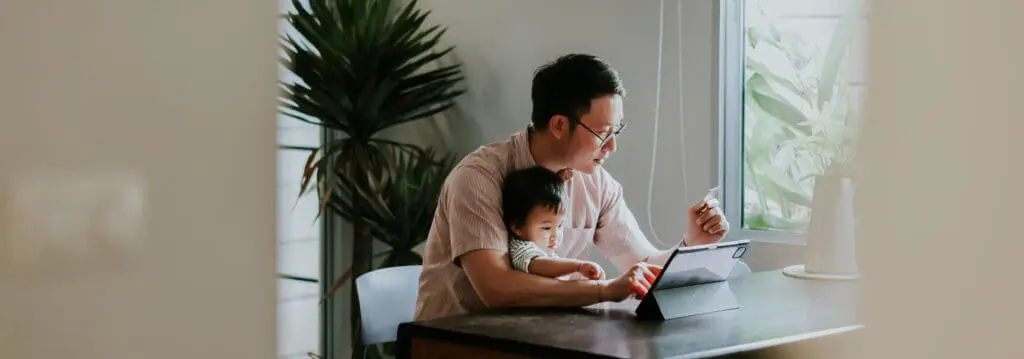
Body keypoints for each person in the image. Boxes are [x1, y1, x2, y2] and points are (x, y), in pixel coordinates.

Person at [414, 53, 729, 321]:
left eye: (617, 130)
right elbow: (497, 288)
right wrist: (602, 290)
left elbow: (641, 266)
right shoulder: (478, 177)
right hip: (453, 344)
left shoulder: (597, 184)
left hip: (542, 339)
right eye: (603, 132)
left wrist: (691, 245)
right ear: (559, 125)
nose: (612, 146)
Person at [501, 165, 608, 283]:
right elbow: (537, 264)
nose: (556, 235)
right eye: (546, 228)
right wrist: (578, 267)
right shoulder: (520, 247)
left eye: (560, 226)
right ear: (517, 227)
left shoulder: (546, 250)